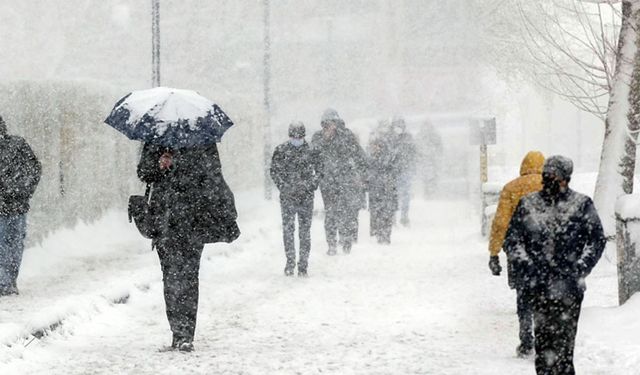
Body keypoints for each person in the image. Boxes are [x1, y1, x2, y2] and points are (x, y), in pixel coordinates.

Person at [504, 155, 606, 375]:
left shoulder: (581, 205)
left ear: (566, 178)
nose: (549, 179)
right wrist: (528, 267)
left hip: (569, 289)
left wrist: (580, 268)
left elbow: (597, 240)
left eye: (555, 175)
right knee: (543, 348)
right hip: (539, 287)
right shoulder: (529, 204)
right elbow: (512, 240)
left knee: (565, 347)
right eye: (546, 174)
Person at [137, 141, 240, 352]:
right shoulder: (156, 140)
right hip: (164, 221)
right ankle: (177, 331)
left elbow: (213, 177)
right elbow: (143, 173)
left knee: (189, 277)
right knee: (170, 277)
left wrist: (182, 168)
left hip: (194, 220)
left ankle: (186, 334)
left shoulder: (203, 141)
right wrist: (159, 165)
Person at [487, 151, 545, 357]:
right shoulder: (551, 186)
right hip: (547, 250)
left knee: (523, 293)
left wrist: (494, 253)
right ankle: (545, 337)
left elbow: (501, 223)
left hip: (518, 249)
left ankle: (526, 339)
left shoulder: (512, 188)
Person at [311, 108, 367, 255]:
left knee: (346, 212)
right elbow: (312, 155)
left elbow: (359, 155)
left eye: (332, 123)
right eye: (327, 123)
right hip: (327, 182)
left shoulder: (346, 135)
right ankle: (331, 244)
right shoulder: (318, 137)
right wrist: (324, 139)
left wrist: (361, 175)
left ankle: (346, 240)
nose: (330, 126)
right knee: (330, 213)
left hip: (345, 181)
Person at [270, 122, 320, 277]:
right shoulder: (281, 150)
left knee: (304, 232)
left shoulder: (312, 151)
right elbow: (274, 171)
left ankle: (303, 264)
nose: (296, 139)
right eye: (294, 136)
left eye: (299, 136)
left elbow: (319, 171)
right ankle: (290, 261)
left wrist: (310, 185)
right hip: (288, 198)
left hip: (306, 197)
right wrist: (284, 187)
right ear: (289, 136)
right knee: (288, 230)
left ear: (304, 136)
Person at [0, 115, 42, 296]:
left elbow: (34, 170)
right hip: (16, 205)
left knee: (13, 245)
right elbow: (34, 170)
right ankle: (6, 283)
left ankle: (7, 282)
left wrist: (21, 190)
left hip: (16, 206)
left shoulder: (17, 145)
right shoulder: (18, 145)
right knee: (10, 245)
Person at [367, 123, 400, 244]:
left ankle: (385, 235)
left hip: (386, 191)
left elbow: (394, 172)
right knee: (377, 214)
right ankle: (380, 234)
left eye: (376, 146)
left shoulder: (387, 159)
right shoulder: (371, 159)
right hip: (376, 192)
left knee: (386, 214)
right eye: (373, 146)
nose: (374, 148)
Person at [391, 117, 417, 226]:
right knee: (395, 195)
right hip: (395, 171)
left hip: (403, 170)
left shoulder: (406, 138)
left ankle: (403, 217)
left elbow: (413, 153)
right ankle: (395, 217)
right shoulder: (391, 138)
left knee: (403, 195)